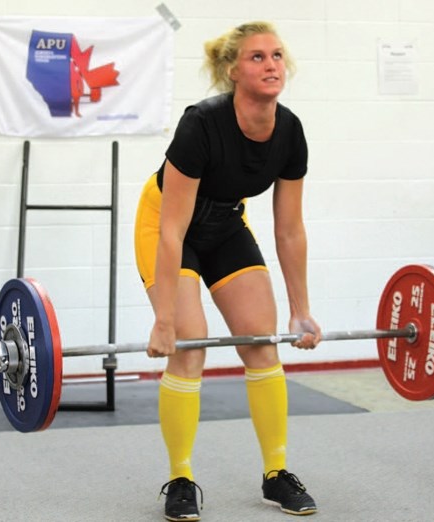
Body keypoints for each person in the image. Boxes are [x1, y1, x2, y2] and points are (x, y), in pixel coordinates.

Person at [134, 21, 321, 519]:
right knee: (190, 343)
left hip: (224, 227)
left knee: (260, 339)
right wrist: (165, 319)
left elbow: (289, 230)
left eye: (277, 55)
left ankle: (277, 473)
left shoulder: (289, 131)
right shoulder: (203, 123)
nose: (271, 65)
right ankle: (180, 478)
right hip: (167, 227)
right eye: (257, 57)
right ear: (232, 70)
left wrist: (301, 312)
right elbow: (173, 231)